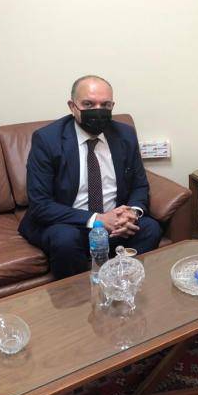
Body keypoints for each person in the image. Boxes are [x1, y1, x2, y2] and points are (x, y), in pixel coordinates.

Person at [19, 75, 162, 279]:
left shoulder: (125, 135)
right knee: (64, 240)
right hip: (70, 223)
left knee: (150, 228)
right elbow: (40, 204)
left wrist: (131, 212)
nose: (98, 110)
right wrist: (99, 220)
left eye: (105, 105)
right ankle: (77, 296)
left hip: (114, 222)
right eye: (88, 104)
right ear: (72, 106)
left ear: (112, 106)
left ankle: (122, 285)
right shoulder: (47, 139)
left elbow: (140, 185)